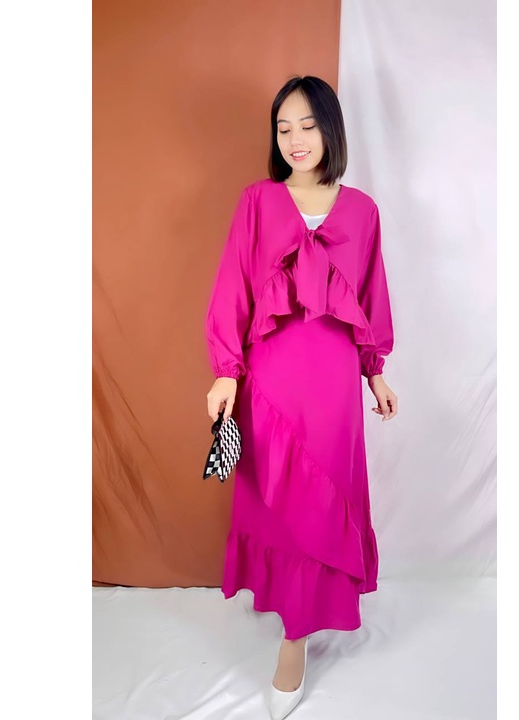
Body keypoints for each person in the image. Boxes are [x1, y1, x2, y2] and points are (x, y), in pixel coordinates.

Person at [204, 75, 398, 719]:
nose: (295, 139)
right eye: (284, 127)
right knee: (277, 502)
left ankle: (297, 638)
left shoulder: (363, 211)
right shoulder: (258, 201)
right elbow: (233, 285)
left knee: (324, 499)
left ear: (331, 129)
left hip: (334, 385)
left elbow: (370, 296)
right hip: (271, 380)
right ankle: (290, 614)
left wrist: (375, 371)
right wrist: (226, 372)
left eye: (308, 125)